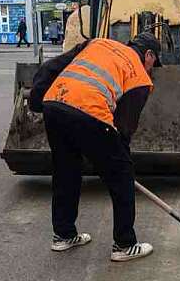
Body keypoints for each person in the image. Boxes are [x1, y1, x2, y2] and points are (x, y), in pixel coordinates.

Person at [29, 32, 161, 262]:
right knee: (122, 177)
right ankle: (124, 244)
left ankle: (63, 235)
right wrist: (119, 163)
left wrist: (37, 101)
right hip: (89, 112)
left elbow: (51, 67)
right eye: (154, 62)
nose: (152, 68)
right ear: (148, 54)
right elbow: (124, 128)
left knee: (66, 171)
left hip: (55, 104)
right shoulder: (140, 76)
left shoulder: (97, 43)